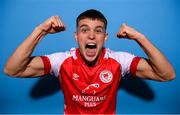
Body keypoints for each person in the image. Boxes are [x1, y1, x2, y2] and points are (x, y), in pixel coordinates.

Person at [4, 9, 175, 114]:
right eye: (84, 30)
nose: (91, 35)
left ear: (105, 37)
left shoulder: (119, 60)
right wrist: (39, 30)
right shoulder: (62, 61)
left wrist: (140, 37)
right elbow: (12, 70)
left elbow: (167, 75)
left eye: (98, 30)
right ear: (76, 37)